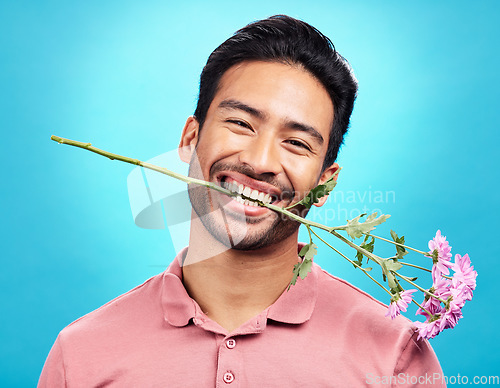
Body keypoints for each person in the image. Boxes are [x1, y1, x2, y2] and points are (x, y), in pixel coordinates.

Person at [39, 15, 445, 387]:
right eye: (240, 123)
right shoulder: (81, 355)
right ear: (190, 138)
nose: (259, 162)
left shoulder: (395, 356)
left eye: (297, 143)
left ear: (326, 182)